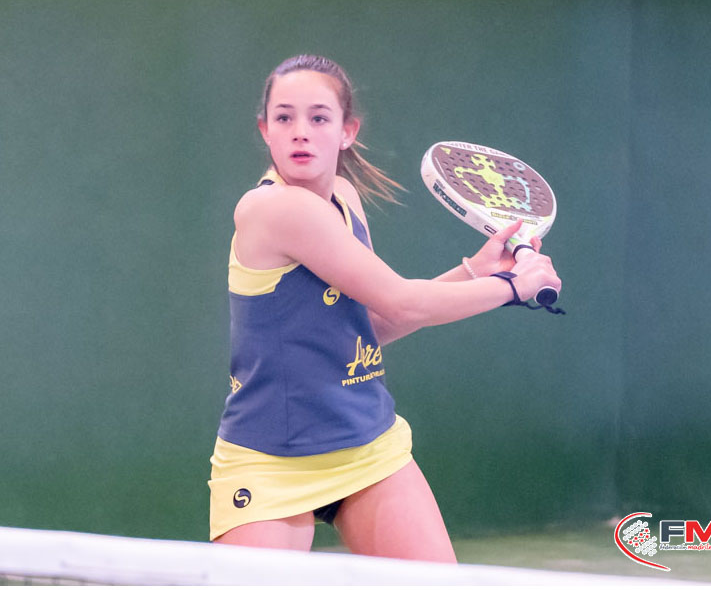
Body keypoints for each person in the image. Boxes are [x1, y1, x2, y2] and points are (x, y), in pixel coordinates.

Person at [208, 55, 560, 563]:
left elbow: (368, 325)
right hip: (270, 459)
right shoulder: (273, 208)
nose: (300, 131)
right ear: (265, 131)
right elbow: (403, 299)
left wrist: (474, 272)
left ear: (347, 131)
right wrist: (512, 285)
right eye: (284, 117)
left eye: (319, 117)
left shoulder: (345, 198)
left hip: (367, 445)